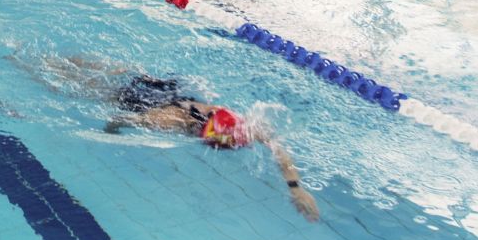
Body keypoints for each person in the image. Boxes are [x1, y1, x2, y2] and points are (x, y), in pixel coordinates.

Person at [104, 74, 319, 221]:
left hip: (176, 91)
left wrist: (296, 188)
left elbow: (278, 149)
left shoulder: (246, 126)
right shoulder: (171, 120)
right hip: (142, 99)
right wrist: (111, 133)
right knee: (104, 90)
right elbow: (123, 119)